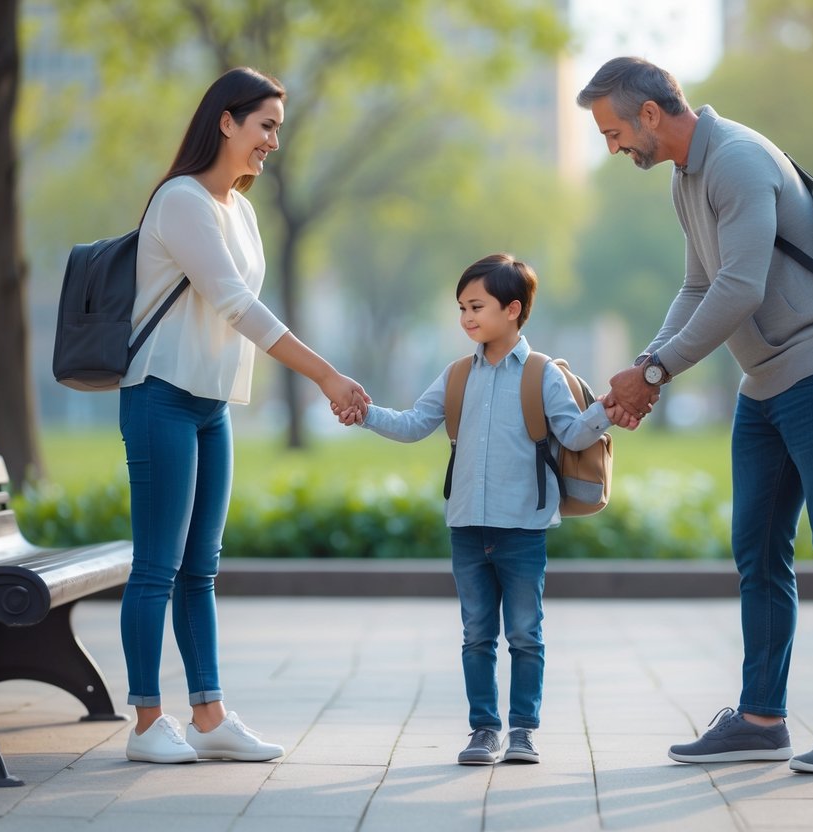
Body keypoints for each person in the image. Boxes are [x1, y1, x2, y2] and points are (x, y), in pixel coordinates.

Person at [576, 57, 813, 774]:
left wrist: (652, 372)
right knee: (757, 551)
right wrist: (646, 368)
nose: (614, 147)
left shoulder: (739, 161)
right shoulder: (688, 179)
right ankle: (760, 719)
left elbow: (740, 288)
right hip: (764, 385)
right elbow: (696, 285)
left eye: (614, 130)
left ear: (650, 114)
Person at [118, 66, 369, 764]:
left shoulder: (240, 208)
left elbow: (239, 309)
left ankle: (208, 714)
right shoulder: (182, 201)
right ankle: (144, 724)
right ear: (225, 121)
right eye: (265, 126)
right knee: (156, 568)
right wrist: (325, 375)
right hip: (160, 396)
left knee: (200, 568)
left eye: (277, 130)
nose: (272, 143)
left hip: (209, 403)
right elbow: (237, 306)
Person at [338, 253, 622, 766]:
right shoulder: (455, 377)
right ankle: (483, 730)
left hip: (523, 528)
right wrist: (364, 413)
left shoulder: (542, 374)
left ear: (512, 309)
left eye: (477, 306)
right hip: (467, 527)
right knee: (476, 636)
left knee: (525, 634)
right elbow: (410, 425)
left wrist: (608, 409)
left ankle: (523, 732)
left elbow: (575, 432)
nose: (466, 317)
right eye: (461, 308)